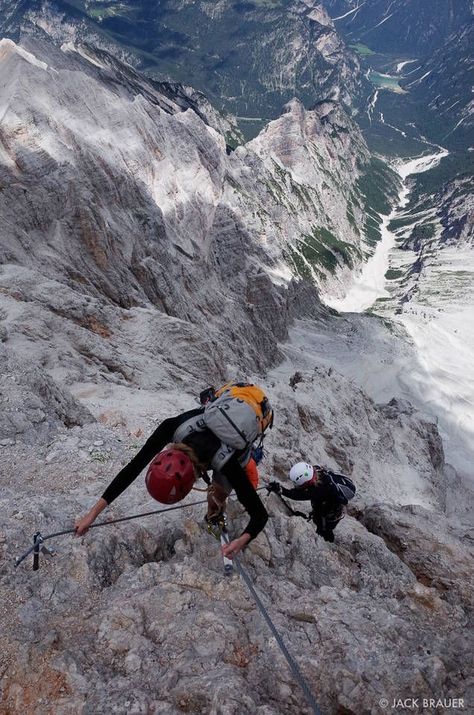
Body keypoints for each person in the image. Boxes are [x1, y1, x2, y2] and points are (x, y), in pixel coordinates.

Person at [75, 406, 269, 558]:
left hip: (246, 427)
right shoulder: (172, 427)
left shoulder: (227, 463)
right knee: (218, 491)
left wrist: (242, 540)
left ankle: (215, 514)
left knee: (219, 492)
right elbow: (132, 470)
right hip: (226, 412)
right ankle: (215, 516)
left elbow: (259, 515)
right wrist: (92, 515)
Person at [267, 462, 355, 542]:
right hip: (328, 505)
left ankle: (327, 542)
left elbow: (297, 495)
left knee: (324, 529)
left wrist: (280, 489)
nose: (297, 486)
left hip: (331, 512)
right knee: (321, 520)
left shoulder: (320, 489)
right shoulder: (316, 471)